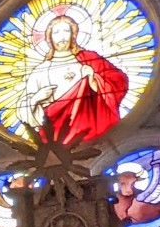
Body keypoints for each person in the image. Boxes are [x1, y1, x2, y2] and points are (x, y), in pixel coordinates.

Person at [39, 13, 129, 143]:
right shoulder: (42, 68)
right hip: (55, 126)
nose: (62, 37)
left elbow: (118, 80)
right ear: (49, 38)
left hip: (90, 121)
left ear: (73, 35)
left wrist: (93, 80)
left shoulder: (89, 58)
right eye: (56, 32)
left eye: (66, 31)